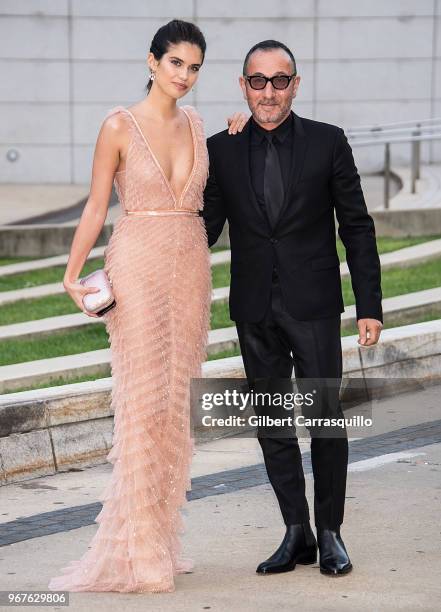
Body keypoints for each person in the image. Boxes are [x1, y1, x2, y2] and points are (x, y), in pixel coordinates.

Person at [48, 19, 245, 594]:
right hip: (136, 263)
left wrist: (237, 133)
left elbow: (215, 189)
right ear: (153, 61)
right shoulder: (118, 125)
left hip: (189, 267)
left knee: (175, 404)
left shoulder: (202, 124)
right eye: (176, 63)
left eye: (195, 67)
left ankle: (161, 535)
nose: (184, 76)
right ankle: (134, 549)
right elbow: (94, 207)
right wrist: (70, 272)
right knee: (141, 400)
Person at [202, 40, 383, 577]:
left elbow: (356, 225)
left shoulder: (329, 142)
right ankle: (296, 531)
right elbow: (204, 229)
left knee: (326, 420)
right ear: (243, 86)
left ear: (295, 85)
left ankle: (331, 533)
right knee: (272, 423)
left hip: (315, 305)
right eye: (257, 81)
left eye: (279, 80)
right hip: (254, 307)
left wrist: (368, 304)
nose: (268, 92)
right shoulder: (222, 148)